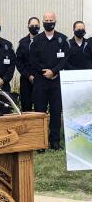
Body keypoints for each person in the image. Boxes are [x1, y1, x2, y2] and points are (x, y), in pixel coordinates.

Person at [29, 12, 69, 150]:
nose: (49, 22)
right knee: (40, 112)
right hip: (41, 81)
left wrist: (54, 71)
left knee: (56, 111)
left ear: (55, 21)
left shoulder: (63, 39)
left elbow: (65, 59)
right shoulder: (36, 40)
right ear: (43, 22)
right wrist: (44, 72)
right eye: (46, 20)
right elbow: (33, 60)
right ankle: (40, 143)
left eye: (51, 20)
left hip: (56, 81)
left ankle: (55, 141)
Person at [16, 17, 40, 111]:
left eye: (36, 26)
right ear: (28, 26)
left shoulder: (43, 41)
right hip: (26, 79)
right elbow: (18, 62)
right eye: (32, 26)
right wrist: (28, 75)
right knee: (26, 106)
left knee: (40, 107)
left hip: (40, 80)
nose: (34, 27)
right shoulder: (22, 42)